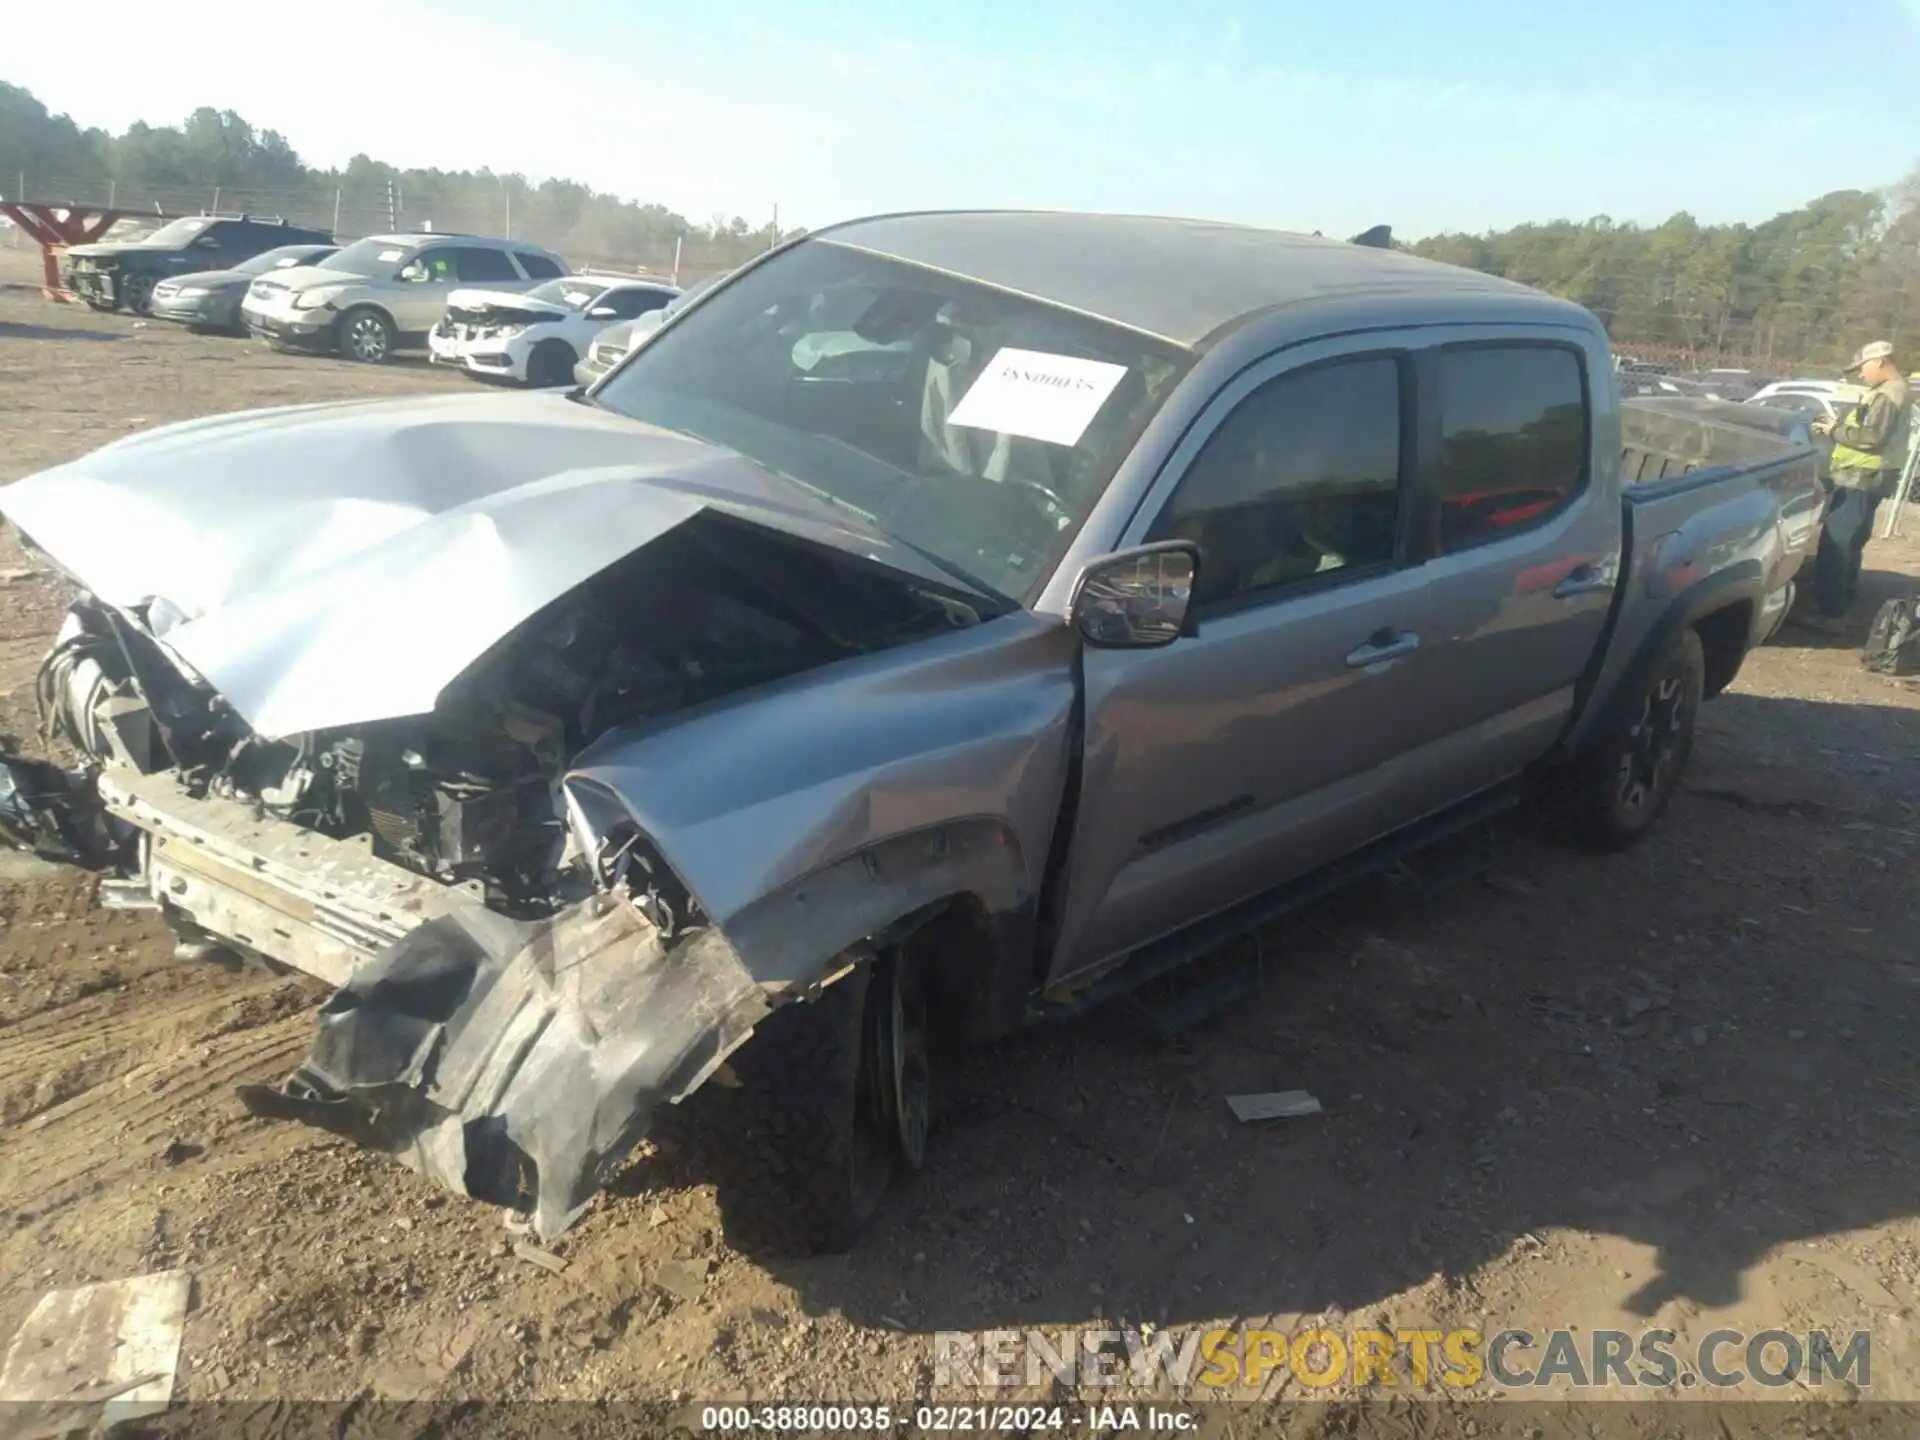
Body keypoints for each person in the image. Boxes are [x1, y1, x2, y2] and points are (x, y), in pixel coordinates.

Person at [1804, 340, 1910, 630]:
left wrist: (1832, 430)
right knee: (1851, 540)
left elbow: (1871, 437)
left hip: (1861, 477)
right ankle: (1843, 603)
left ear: (1881, 362)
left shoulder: (1888, 394)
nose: (1860, 374)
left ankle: (1830, 614)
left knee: (1837, 543)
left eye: (1862, 367)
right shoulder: (1888, 392)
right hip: (1867, 476)